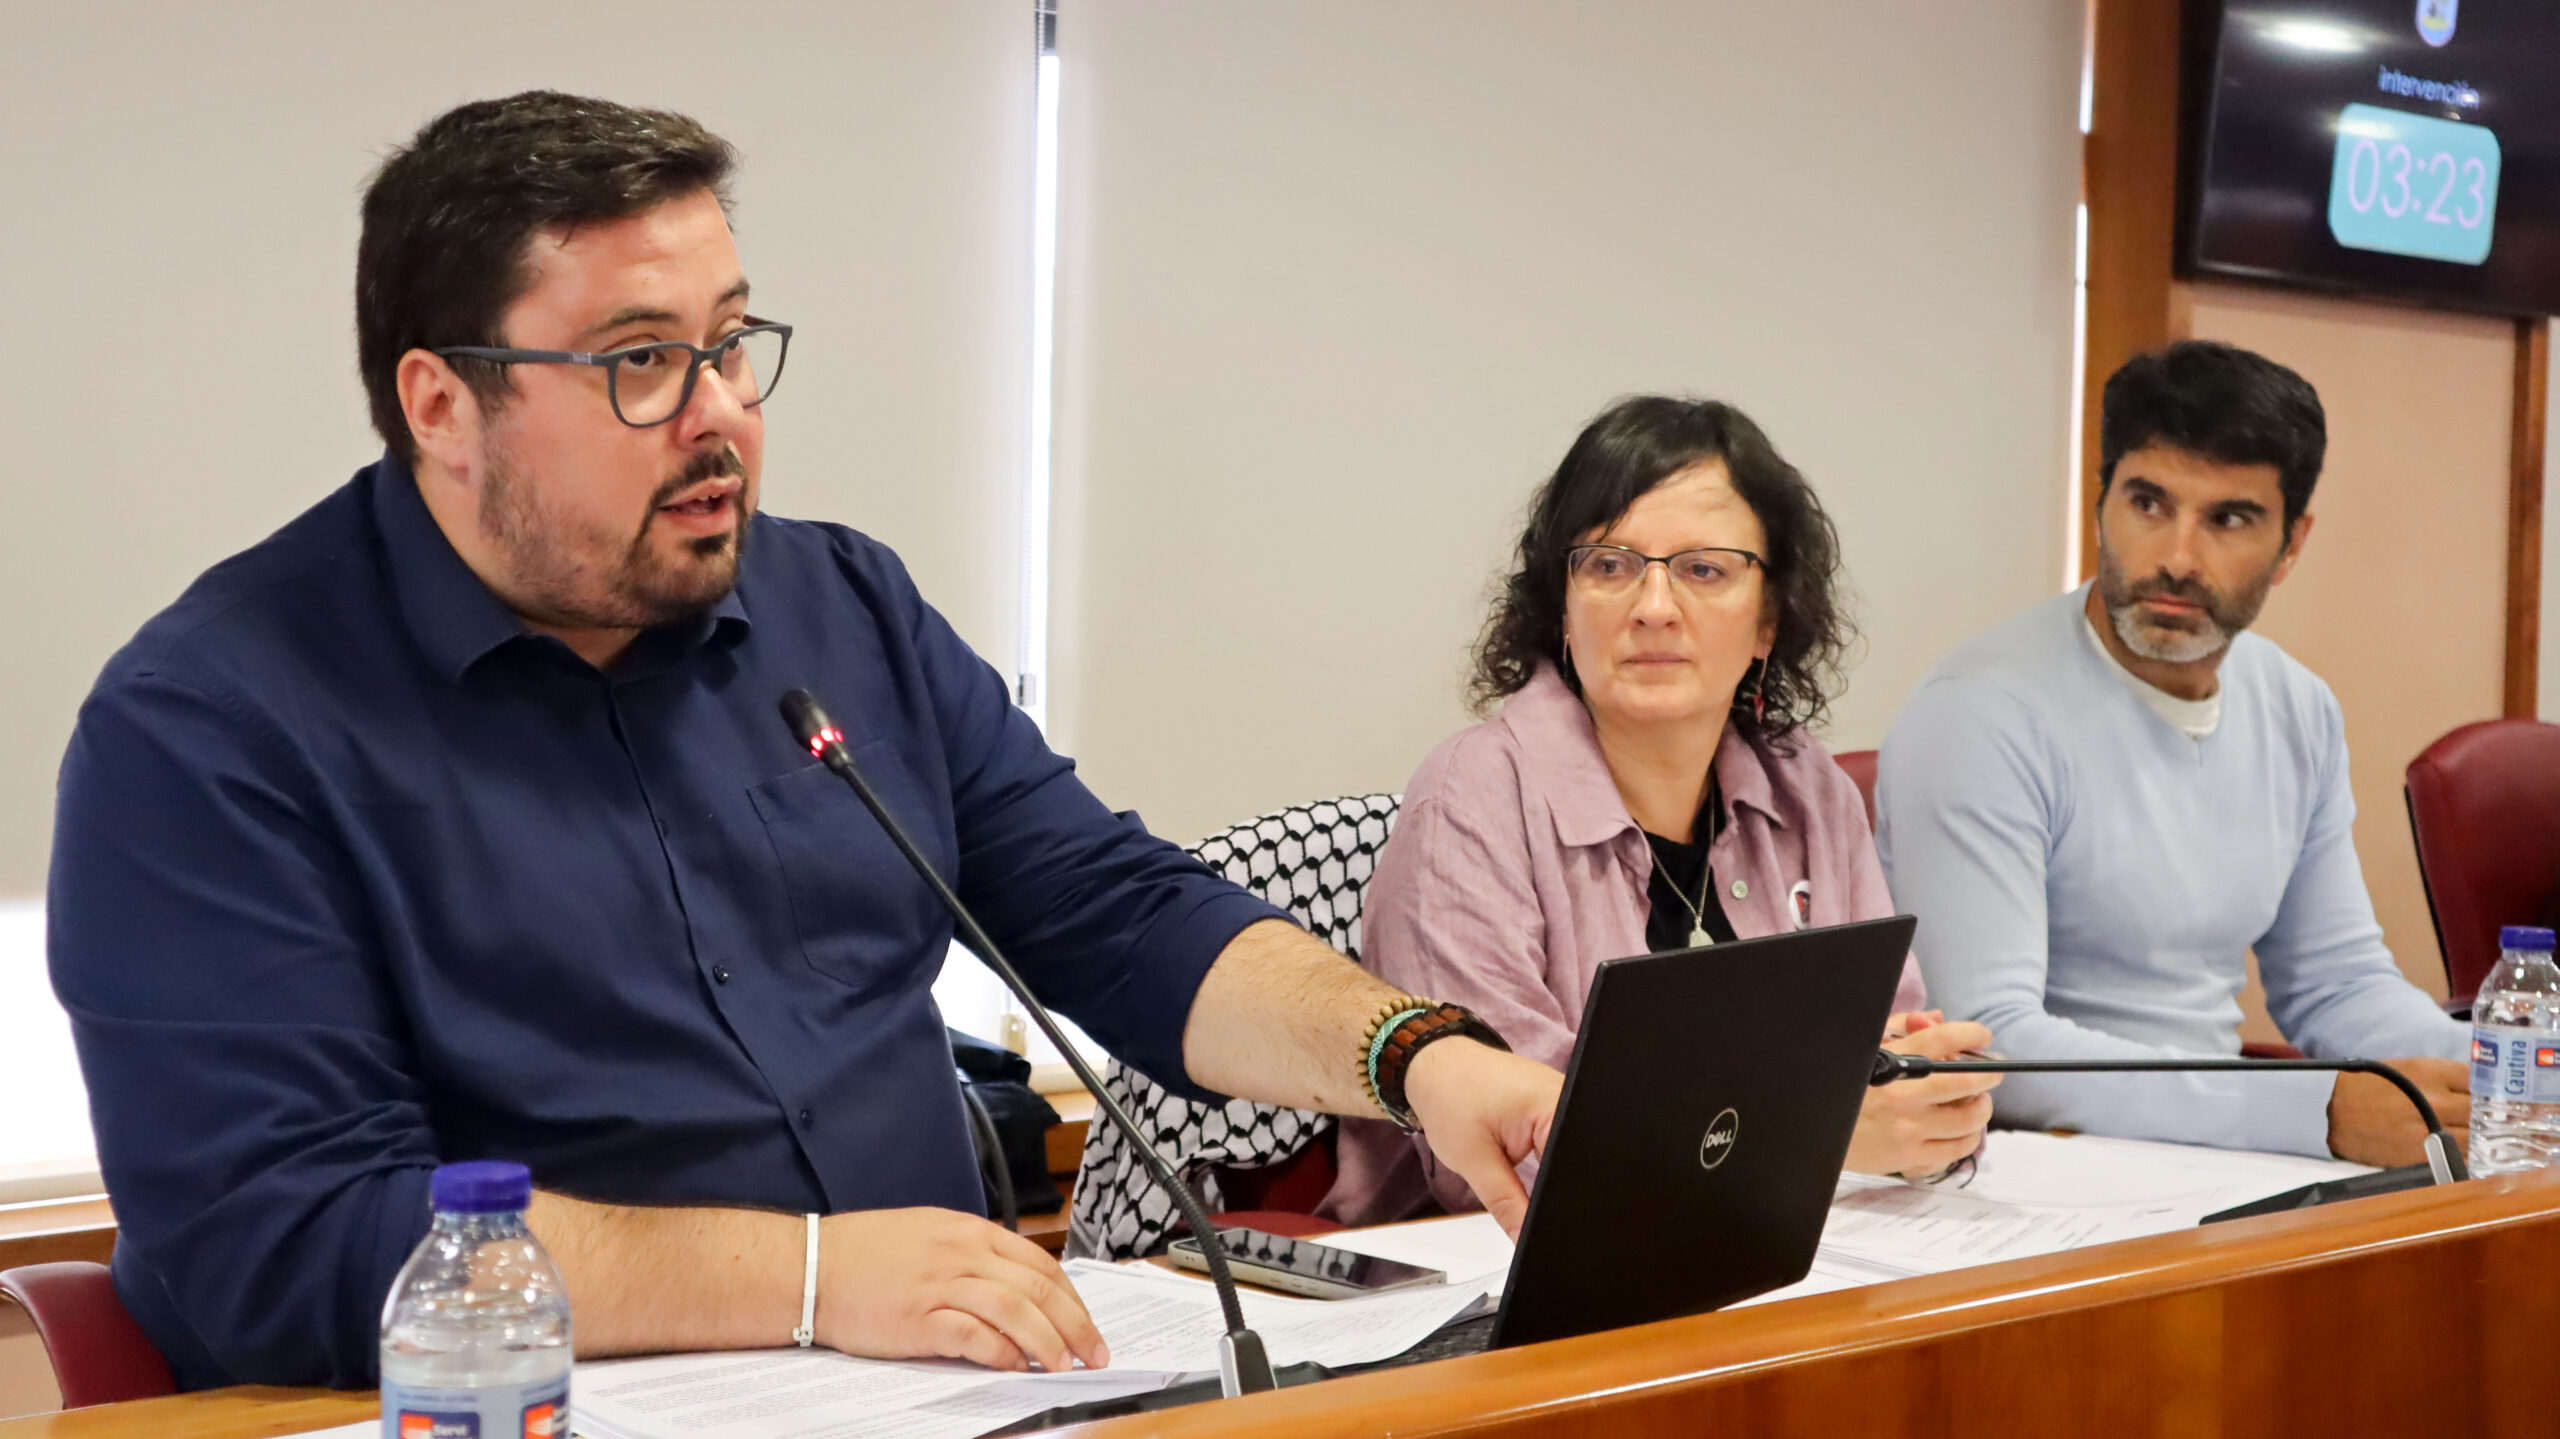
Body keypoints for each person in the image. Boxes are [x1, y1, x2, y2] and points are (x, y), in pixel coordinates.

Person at [46, 92, 1564, 1392]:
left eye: (729, 341)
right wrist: (810, 1277)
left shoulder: (841, 605)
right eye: (640, 360)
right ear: (444, 402)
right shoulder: (209, 731)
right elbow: (290, 1235)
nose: (721, 417)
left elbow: (1118, 911)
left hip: (928, 1397)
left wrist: (1416, 1057)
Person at [1320, 396, 1999, 1227]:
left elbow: (1890, 1045)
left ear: (1768, 619)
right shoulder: (1472, 796)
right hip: (1489, 1288)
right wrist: (1828, 1131)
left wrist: (1934, 1105)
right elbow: (1502, 1158)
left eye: (1704, 569)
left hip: (1779, 1241)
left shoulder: (1806, 784)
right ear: (1562, 608)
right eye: (1609, 565)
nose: (1652, 606)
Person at [1876, 340, 2470, 1166]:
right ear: (2102, 504)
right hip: (2030, 1167)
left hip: (2223, 1150)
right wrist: (2311, 1111)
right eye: (2149, 503)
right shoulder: (1980, 712)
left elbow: (2336, 984)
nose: (2178, 558)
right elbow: (1992, 1046)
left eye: (2228, 518)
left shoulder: (2298, 706)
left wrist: (2502, 1072)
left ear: (2292, 544)